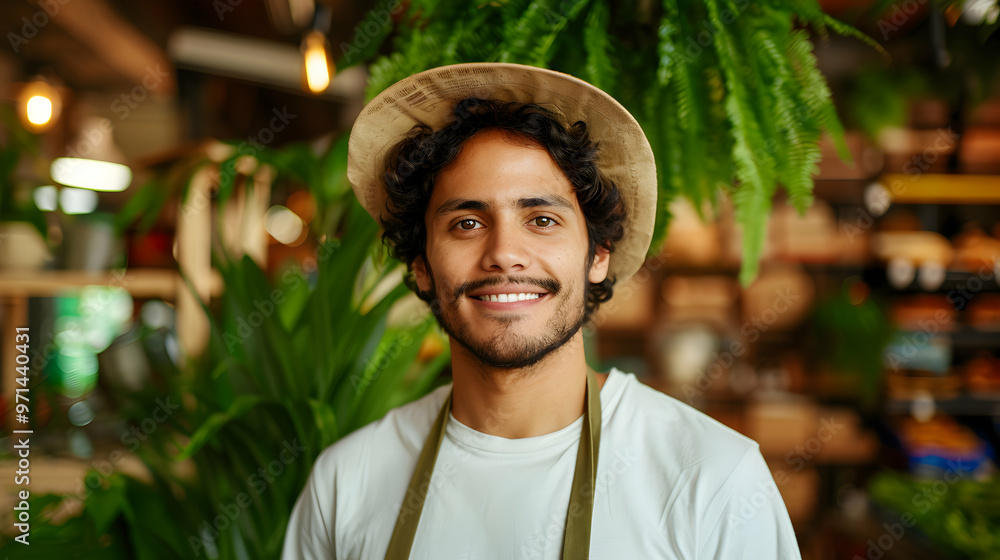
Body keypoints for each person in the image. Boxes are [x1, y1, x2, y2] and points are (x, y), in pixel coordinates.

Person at [283, 63, 800, 559]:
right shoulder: (345, 483)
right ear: (421, 266)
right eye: (466, 223)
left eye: (542, 219)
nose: (504, 252)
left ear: (598, 254)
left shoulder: (713, 479)